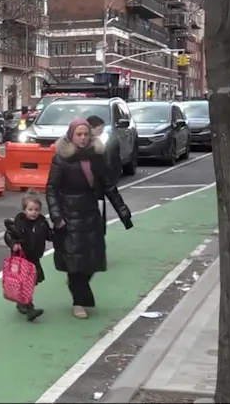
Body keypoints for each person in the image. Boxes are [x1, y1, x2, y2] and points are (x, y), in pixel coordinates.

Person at [46, 117, 133, 320]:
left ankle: (76, 286)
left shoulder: (97, 157)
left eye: (86, 134)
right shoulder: (62, 159)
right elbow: (51, 189)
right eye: (79, 134)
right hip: (69, 215)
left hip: (92, 213)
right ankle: (79, 302)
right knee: (75, 261)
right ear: (71, 135)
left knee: (93, 260)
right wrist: (57, 216)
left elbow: (109, 186)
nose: (83, 138)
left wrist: (122, 211)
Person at [3, 190, 52, 322]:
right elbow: (8, 235)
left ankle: (22, 302)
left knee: (32, 281)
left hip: (34, 257)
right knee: (25, 282)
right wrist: (13, 244)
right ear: (24, 210)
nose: (33, 212)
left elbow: (48, 235)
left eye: (36, 209)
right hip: (21, 257)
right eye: (30, 209)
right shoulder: (18, 222)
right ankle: (29, 307)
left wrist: (59, 236)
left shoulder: (42, 222)